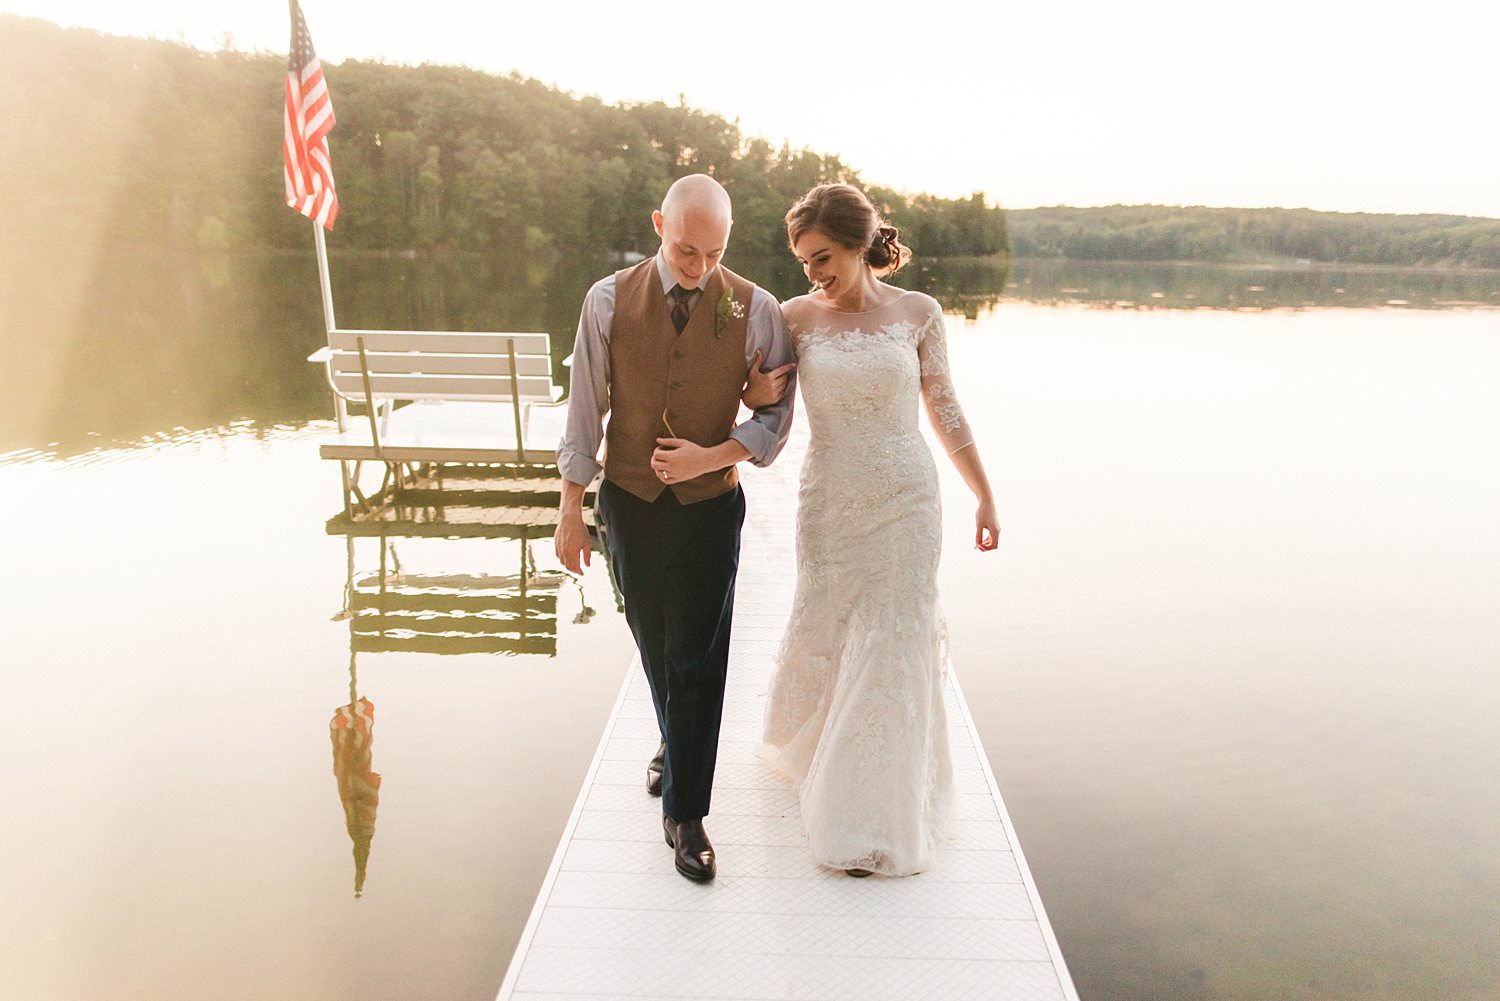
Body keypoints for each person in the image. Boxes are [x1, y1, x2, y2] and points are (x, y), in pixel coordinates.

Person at [554, 174, 797, 882]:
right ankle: (674, 737)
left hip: (709, 508)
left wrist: (711, 453)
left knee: (698, 656)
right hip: (626, 503)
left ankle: (687, 814)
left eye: (713, 253)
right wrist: (571, 508)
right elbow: (584, 412)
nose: (699, 267)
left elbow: (774, 424)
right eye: (687, 250)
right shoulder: (606, 299)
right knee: (654, 641)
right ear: (660, 223)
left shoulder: (758, 310)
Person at [753, 182, 999, 878]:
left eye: (823, 255)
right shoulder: (794, 316)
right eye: (804, 259)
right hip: (829, 500)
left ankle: (869, 813)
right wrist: (750, 395)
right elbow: (758, 396)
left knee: (891, 643)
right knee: (830, 624)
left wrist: (985, 495)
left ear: (861, 244)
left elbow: (945, 408)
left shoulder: (919, 313)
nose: (813, 271)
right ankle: (817, 750)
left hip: (906, 500)